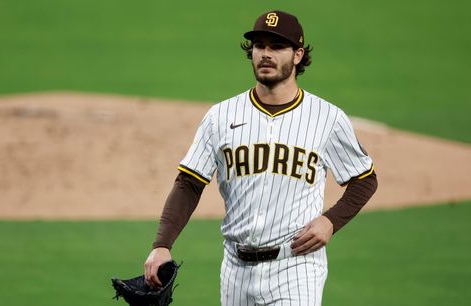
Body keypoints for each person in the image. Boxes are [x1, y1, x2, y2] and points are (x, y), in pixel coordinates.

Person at [143, 10, 378, 306]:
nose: (266, 54)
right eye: (260, 46)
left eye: (277, 46)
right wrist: (162, 245)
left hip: (296, 267)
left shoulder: (327, 118)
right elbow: (189, 182)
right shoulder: (220, 117)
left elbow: (364, 179)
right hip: (235, 270)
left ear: (297, 55)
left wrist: (331, 221)